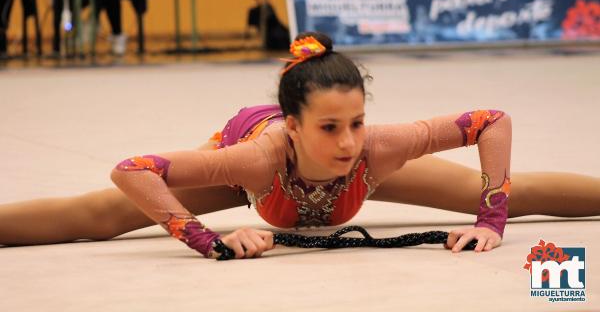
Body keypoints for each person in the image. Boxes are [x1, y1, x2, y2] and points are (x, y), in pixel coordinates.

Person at [1, 31, 599, 259]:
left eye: (357, 122)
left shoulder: (377, 149)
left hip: (347, 190)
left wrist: (492, 216)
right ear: (293, 124)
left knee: (507, 197)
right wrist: (207, 237)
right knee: (100, 218)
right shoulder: (253, 159)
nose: (348, 141)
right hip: (263, 177)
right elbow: (132, 169)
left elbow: (490, 119)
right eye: (330, 128)